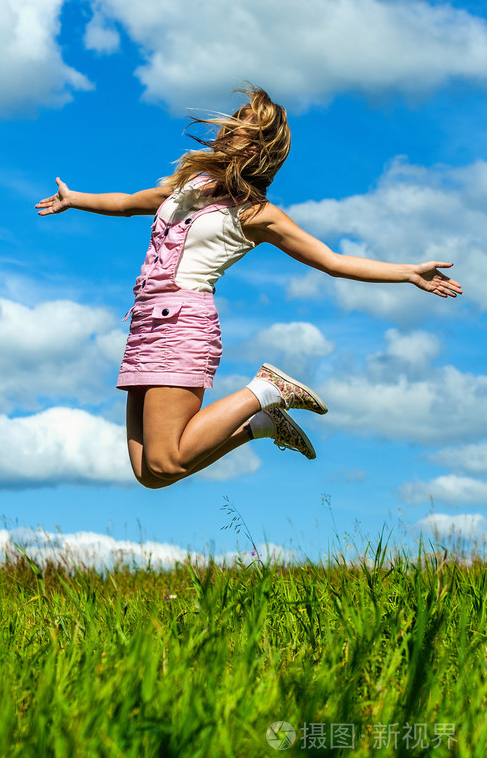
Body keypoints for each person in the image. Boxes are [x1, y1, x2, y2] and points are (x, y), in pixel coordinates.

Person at [36, 85, 462, 489]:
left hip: (183, 325)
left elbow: (331, 261)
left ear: (257, 147)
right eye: (233, 121)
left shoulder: (258, 214)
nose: (227, 130)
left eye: (241, 126)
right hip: (144, 324)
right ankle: (261, 424)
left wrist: (407, 272)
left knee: (167, 459)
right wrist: (76, 199)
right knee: (150, 473)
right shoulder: (190, 185)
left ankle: (267, 389)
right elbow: (129, 202)